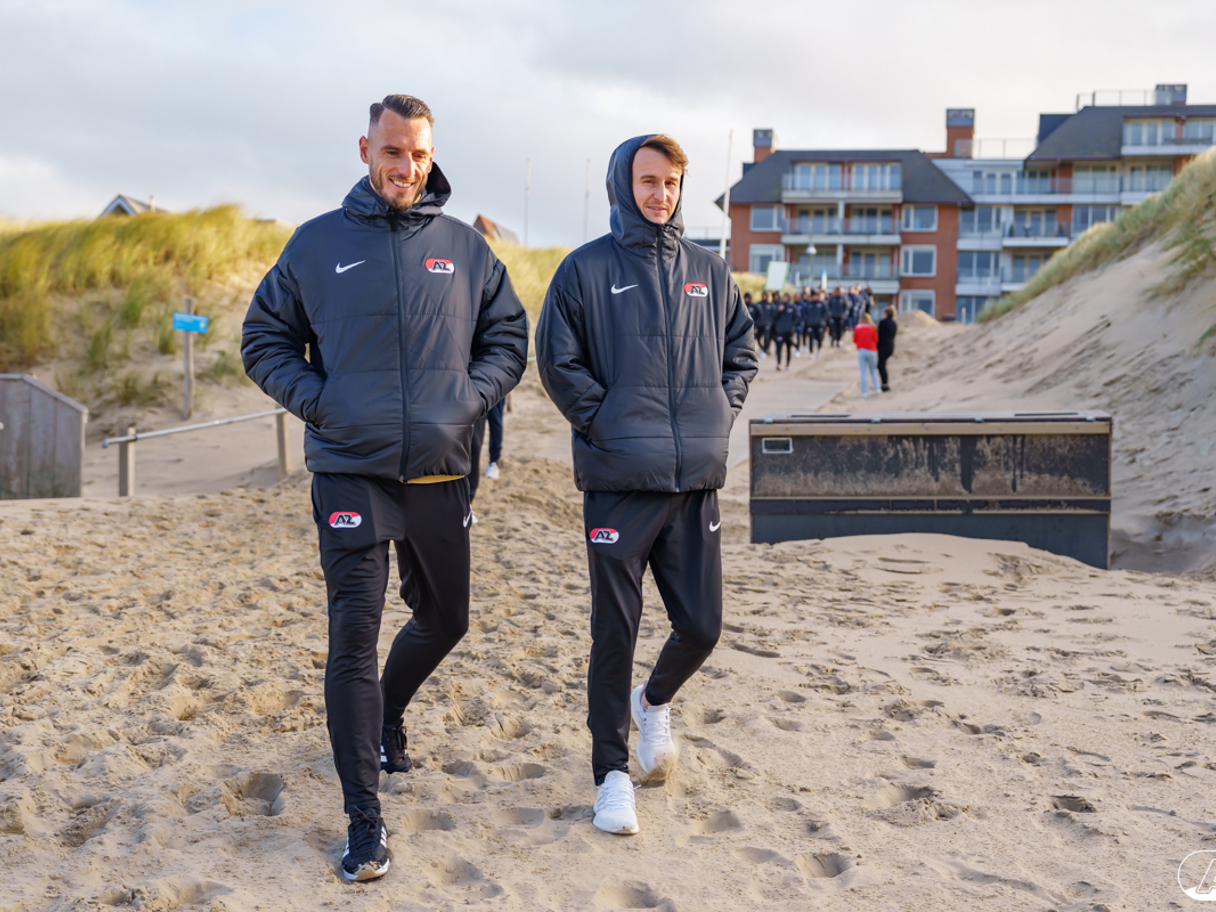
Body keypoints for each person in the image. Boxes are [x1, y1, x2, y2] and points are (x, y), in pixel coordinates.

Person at [241, 94, 528, 882]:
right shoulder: (317, 244)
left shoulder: (465, 248)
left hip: (441, 469)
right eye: (393, 151)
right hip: (351, 470)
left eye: (420, 154)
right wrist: (322, 402)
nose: (407, 167)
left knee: (446, 619)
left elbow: (509, 336)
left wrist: (472, 397)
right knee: (354, 638)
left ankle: (388, 716)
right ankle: (363, 821)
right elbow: (263, 338)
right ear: (365, 149)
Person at [536, 134, 756, 836]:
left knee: (702, 626)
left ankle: (653, 701)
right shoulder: (585, 269)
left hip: (694, 483)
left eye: (671, 183)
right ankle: (611, 776)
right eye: (648, 181)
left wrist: (716, 414)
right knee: (615, 633)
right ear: (622, 185)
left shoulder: (708, 271)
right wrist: (606, 423)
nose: (660, 194)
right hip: (620, 482)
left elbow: (742, 353)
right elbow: (557, 361)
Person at [853, 312, 880, 397]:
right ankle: (877, 388)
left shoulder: (858, 327)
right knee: (873, 371)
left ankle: (864, 392)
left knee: (863, 372)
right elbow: (876, 339)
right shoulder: (872, 327)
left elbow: (854, 339)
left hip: (861, 350)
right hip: (871, 350)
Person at [877, 306, 898, 392]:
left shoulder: (883, 322)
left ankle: (884, 384)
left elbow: (879, 335)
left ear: (886, 314)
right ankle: (884, 383)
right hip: (891, 346)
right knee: (882, 365)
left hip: (883, 346)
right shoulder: (893, 323)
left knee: (881, 365)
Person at [773, 296, 795, 371]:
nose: (785, 299)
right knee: (779, 348)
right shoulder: (779, 306)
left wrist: (792, 325)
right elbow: (774, 317)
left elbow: (798, 316)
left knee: (788, 348)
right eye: (784, 298)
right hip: (780, 331)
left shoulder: (792, 307)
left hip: (789, 331)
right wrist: (779, 310)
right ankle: (779, 363)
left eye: (786, 297)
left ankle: (787, 364)